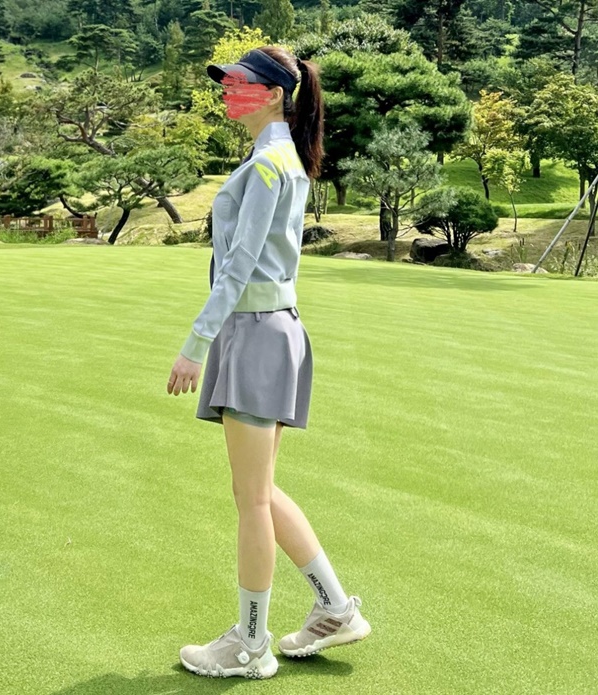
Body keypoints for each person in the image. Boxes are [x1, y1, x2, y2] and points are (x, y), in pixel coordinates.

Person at [166, 46, 371, 680]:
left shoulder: (267, 165)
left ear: (276, 93)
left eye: (240, 83)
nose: (229, 92)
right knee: (259, 490)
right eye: (226, 83)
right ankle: (334, 608)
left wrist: (195, 344)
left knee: (251, 499)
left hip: (255, 333)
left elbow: (239, 265)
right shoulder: (282, 158)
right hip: (270, 330)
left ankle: (250, 646)